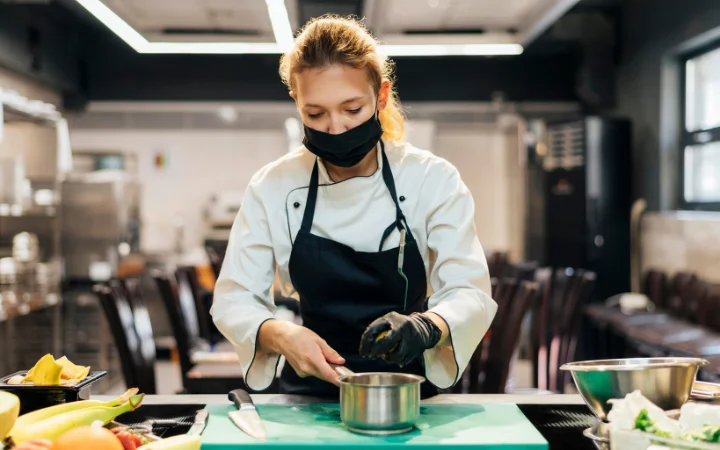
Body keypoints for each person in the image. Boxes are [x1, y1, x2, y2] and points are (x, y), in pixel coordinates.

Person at [211, 15, 497, 398]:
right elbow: (234, 298)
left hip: (410, 396)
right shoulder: (273, 186)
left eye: (352, 109)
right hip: (307, 399)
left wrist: (428, 326)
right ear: (297, 103)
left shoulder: (431, 179)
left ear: (380, 96)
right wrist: (280, 334)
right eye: (316, 114)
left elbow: (470, 291)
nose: (336, 127)